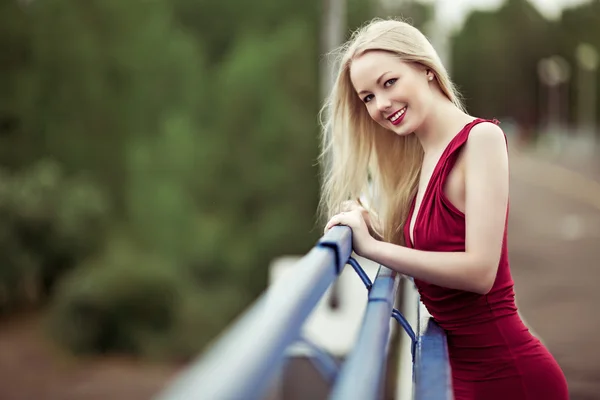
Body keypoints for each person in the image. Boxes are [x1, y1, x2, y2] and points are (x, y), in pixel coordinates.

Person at [320, 18, 569, 400]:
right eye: (367, 97)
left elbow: (479, 272)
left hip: (510, 376)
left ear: (425, 69)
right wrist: (377, 227)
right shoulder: (418, 162)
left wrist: (372, 247)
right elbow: (438, 246)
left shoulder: (479, 140)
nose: (381, 104)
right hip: (458, 374)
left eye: (389, 83)